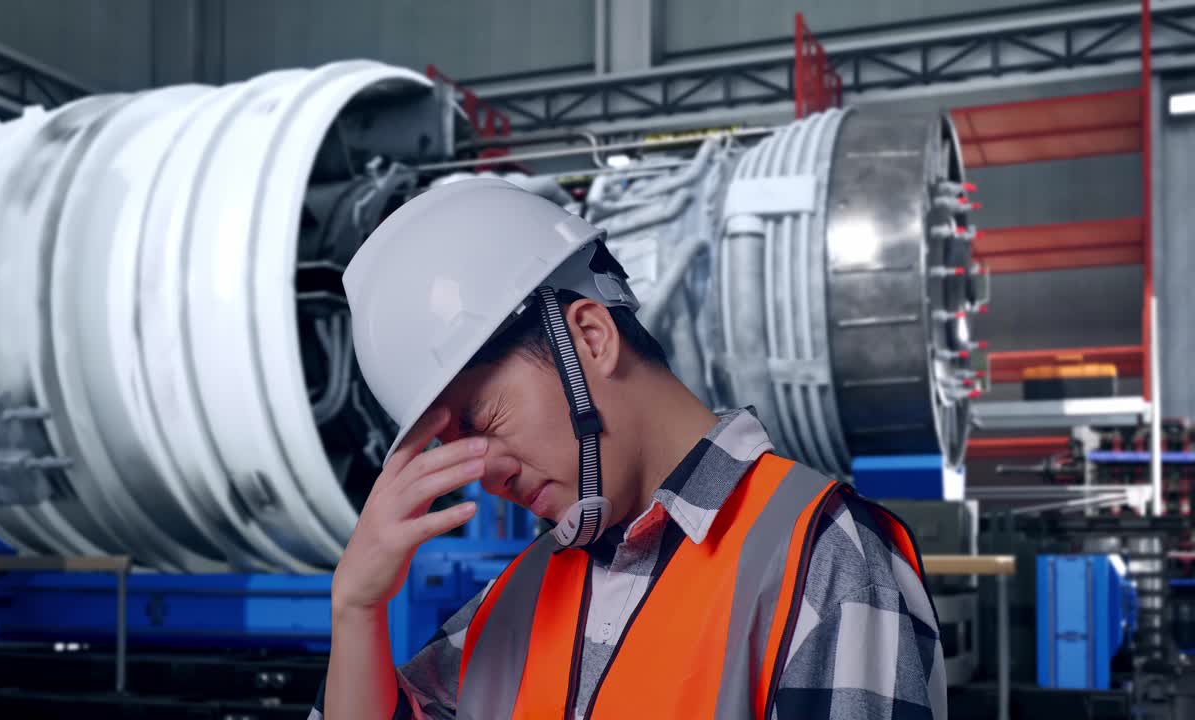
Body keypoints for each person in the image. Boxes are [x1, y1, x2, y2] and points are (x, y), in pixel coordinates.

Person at [312, 178, 946, 720]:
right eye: (456, 450)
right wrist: (356, 609)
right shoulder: (520, 599)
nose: (487, 474)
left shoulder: (822, 559)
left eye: (484, 422)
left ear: (588, 337)